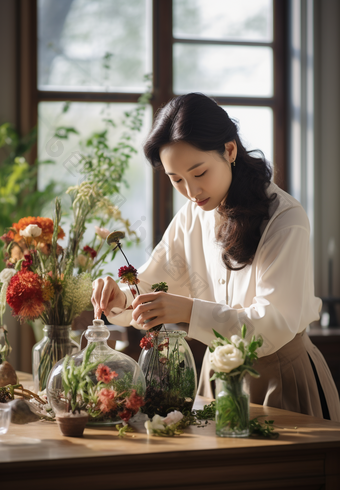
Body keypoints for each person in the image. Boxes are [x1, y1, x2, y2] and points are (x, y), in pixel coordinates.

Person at [92, 92, 340, 423]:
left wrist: (189, 310)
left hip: (280, 379)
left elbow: (274, 324)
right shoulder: (190, 216)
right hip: (217, 379)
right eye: (176, 179)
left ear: (230, 150)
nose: (191, 191)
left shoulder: (284, 217)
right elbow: (149, 284)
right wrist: (118, 297)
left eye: (199, 172)